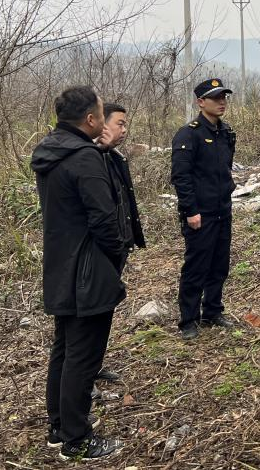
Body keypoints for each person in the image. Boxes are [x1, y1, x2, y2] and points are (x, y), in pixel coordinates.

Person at [31, 86, 126, 461]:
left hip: (60, 263)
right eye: (102, 115)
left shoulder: (52, 151)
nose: (105, 122)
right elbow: (104, 220)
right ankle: (76, 439)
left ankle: (59, 427)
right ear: (90, 120)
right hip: (88, 270)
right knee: (83, 356)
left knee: (65, 349)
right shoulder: (85, 158)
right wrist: (113, 257)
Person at [171, 78, 237, 340]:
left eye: (224, 97)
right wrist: (190, 211)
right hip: (200, 213)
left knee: (219, 264)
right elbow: (181, 176)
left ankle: (212, 310)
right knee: (196, 266)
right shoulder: (189, 134)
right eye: (215, 98)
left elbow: (225, 169)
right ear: (201, 102)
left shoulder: (226, 132)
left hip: (222, 208)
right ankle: (188, 320)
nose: (221, 102)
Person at [94, 102, 147, 383]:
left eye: (126, 124)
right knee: (93, 315)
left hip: (118, 248)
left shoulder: (114, 158)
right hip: (101, 252)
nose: (125, 130)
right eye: (120, 124)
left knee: (105, 311)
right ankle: (85, 374)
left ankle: (94, 365)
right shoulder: (90, 160)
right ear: (101, 124)